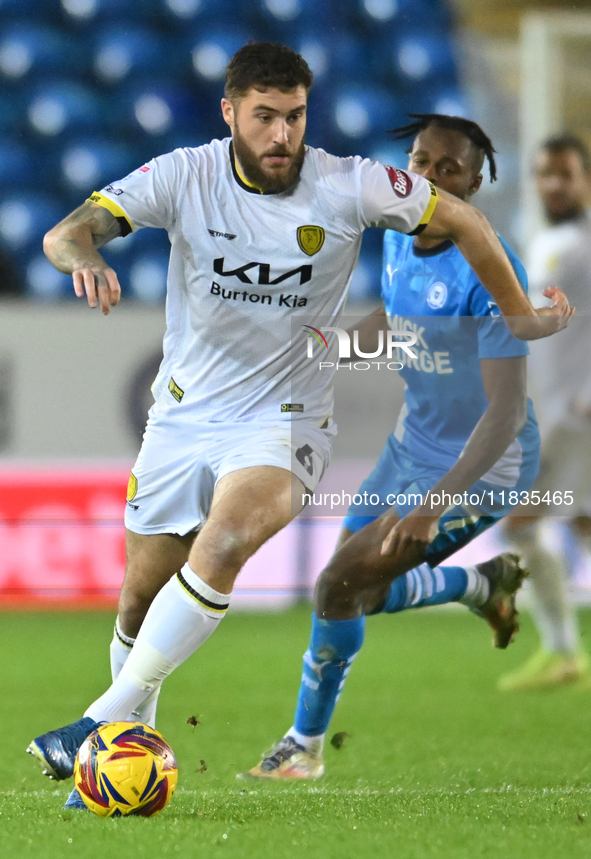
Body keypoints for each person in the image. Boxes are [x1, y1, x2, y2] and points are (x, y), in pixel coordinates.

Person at [26, 44, 570, 806]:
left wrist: (517, 313)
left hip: (287, 422)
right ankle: (118, 756)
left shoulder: (350, 186)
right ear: (230, 114)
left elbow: (467, 224)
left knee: (236, 545)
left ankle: (96, 726)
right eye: (264, 118)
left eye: (295, 117)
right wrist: (80, 252)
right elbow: (67, 229)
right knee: (139, 601)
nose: (282, 135)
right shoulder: (183, 175)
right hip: (183, 417)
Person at [242, 113, 545, 781]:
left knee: (335, 584)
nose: (429, 177)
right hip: (412, 444)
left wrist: (432, 507)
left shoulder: (487, 269)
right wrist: (322, 352)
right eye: (419, 160)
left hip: (485, 464)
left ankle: (303, 747)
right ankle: (477, 584)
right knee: (356, 588)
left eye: (448, 168)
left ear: (474, 181)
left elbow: (502, 411)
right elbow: (397, 324)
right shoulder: (400, 236)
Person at [501, 134, 591, 690]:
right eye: (544, 173)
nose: (553, 184)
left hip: (578, 414)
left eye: (565, 173)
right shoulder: (546, 242)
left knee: (517, 525)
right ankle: (564, 655)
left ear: (585, 179)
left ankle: (562, 651)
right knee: (579, 525)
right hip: (553, 411)